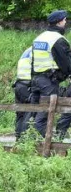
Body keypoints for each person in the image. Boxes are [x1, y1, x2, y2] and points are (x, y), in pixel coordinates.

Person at [14, 11, 71, 140]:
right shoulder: (57, 40)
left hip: (35, 80)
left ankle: (23, 141)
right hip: (49, 82)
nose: (66, 22)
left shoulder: (39, 38)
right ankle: (50, 146)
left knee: (31, 112)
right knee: (45, 114)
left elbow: (33, 62)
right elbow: (66, 64)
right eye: (64, 20)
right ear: (59, 22)